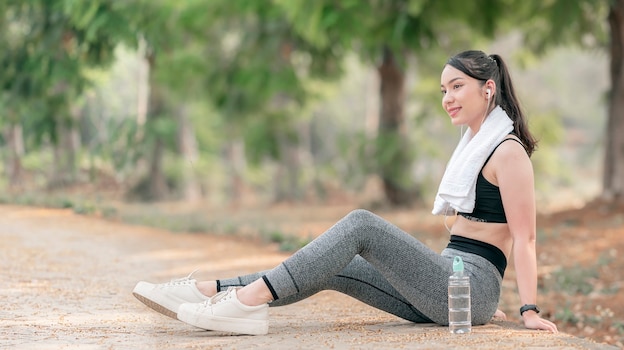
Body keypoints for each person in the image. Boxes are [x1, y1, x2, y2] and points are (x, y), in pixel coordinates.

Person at [133, 50, 558, 335]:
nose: (447, 98)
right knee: (336, 264)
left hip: (468, 288)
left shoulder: (508, 152)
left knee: (361, 224)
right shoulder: (473, 144)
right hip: (451, 285)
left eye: (457, 86)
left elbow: (526, 238)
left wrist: (528, 310)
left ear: (488, 88)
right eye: (443, 90)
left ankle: (245, 302)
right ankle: (213, 291)